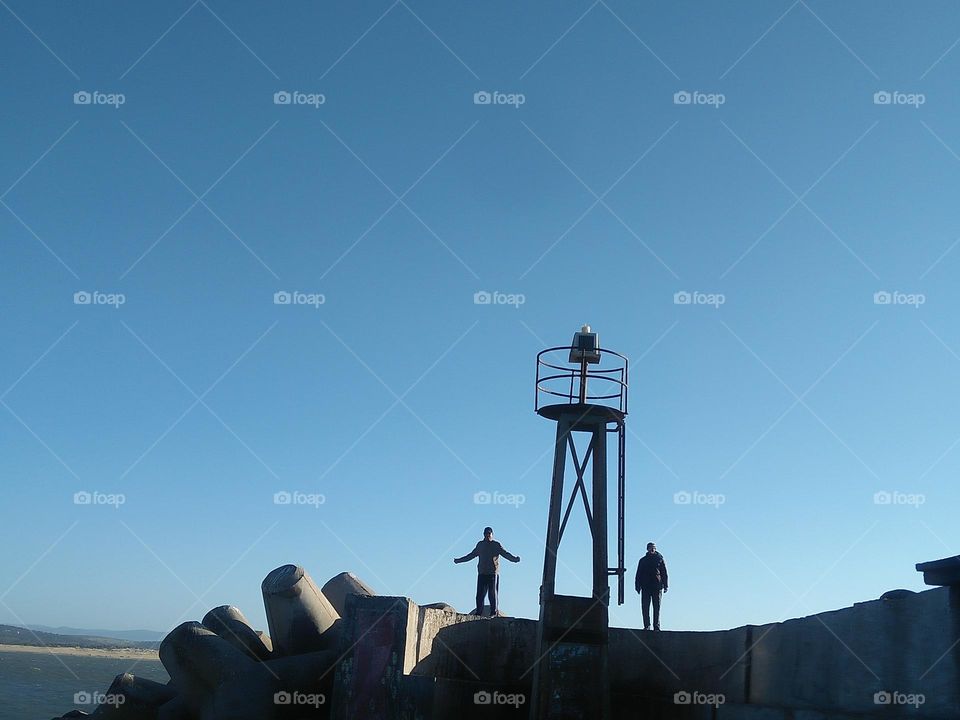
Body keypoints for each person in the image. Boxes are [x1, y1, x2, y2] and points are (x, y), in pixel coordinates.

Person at [453, 526, 520, 617]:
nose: (487, 535)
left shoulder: (496, 545)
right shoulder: (480, 545)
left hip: (492, 574)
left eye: (489, 534)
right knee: (480, 595)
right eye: (486, 534)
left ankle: (493, 612)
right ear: (483, 535)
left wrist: (514, 559)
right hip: (482, 573)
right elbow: (471, 555)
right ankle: (478, 612)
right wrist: (459, 560)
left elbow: (505, 554)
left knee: (492, 594)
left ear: (492, 534)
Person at [635, 542, 668, 630]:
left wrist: (666, 585)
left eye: (654, 548)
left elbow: (664, 572)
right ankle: (647, 625)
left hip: (657, 586)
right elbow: (638, 574)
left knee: (656, 607)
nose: (652, 549)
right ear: (647, 549)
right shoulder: (643, 560)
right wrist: (637, 586)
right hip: (645, 586)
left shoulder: (660, 559)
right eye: (650, 548)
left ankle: (656, 626)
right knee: (645, 607)